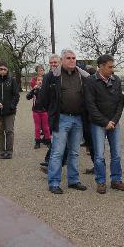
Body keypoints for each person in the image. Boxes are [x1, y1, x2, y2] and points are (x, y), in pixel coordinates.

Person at [40, 49, 89, 194]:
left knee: (74, 152)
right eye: (68, 58)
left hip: (78, 119)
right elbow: (43, 98)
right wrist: (53, 112)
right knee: (57, 152)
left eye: (74, 58)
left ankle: (73, 180)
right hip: (61, 118)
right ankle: (54, 182)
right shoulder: (52, 76)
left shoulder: (83, 76)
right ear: (62, 60)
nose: (72, 60)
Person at [84, 54, 124, 194]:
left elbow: (120, 103)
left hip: (114, 123)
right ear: (101, 66)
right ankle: (101, 181)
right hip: (98, 124)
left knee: (116, 154)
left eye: (113, 66)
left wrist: (114, 121)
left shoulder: (116, 80)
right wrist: (104, 122)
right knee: (99, 155)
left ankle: (116, 180)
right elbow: (90, 105)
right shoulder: (90, 81)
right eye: (110, 67)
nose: (112, 69)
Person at [39, 54, 61, 171]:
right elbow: (43, 97)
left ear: (60, 62)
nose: (53, 64)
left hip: (66, 113)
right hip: (53, 114)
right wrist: (50, 110)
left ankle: (50, 162)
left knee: (61, 141)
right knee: (56, 139)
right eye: (51, 63)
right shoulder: (48, 76)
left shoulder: (64, 76)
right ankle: (50, 162)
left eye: (55, 62)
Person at [26, 75, 51, 149]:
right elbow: (28, 97)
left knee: (46, 127)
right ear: (36, 81)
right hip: (36, 111)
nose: (40, 81)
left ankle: (48, 141)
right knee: (37, 128)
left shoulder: (46, 90)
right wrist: (33, 90)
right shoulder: (35, 90)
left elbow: (50, 100)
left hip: (44, 111)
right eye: (38, 80)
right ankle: (37, 142)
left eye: (41, 80)